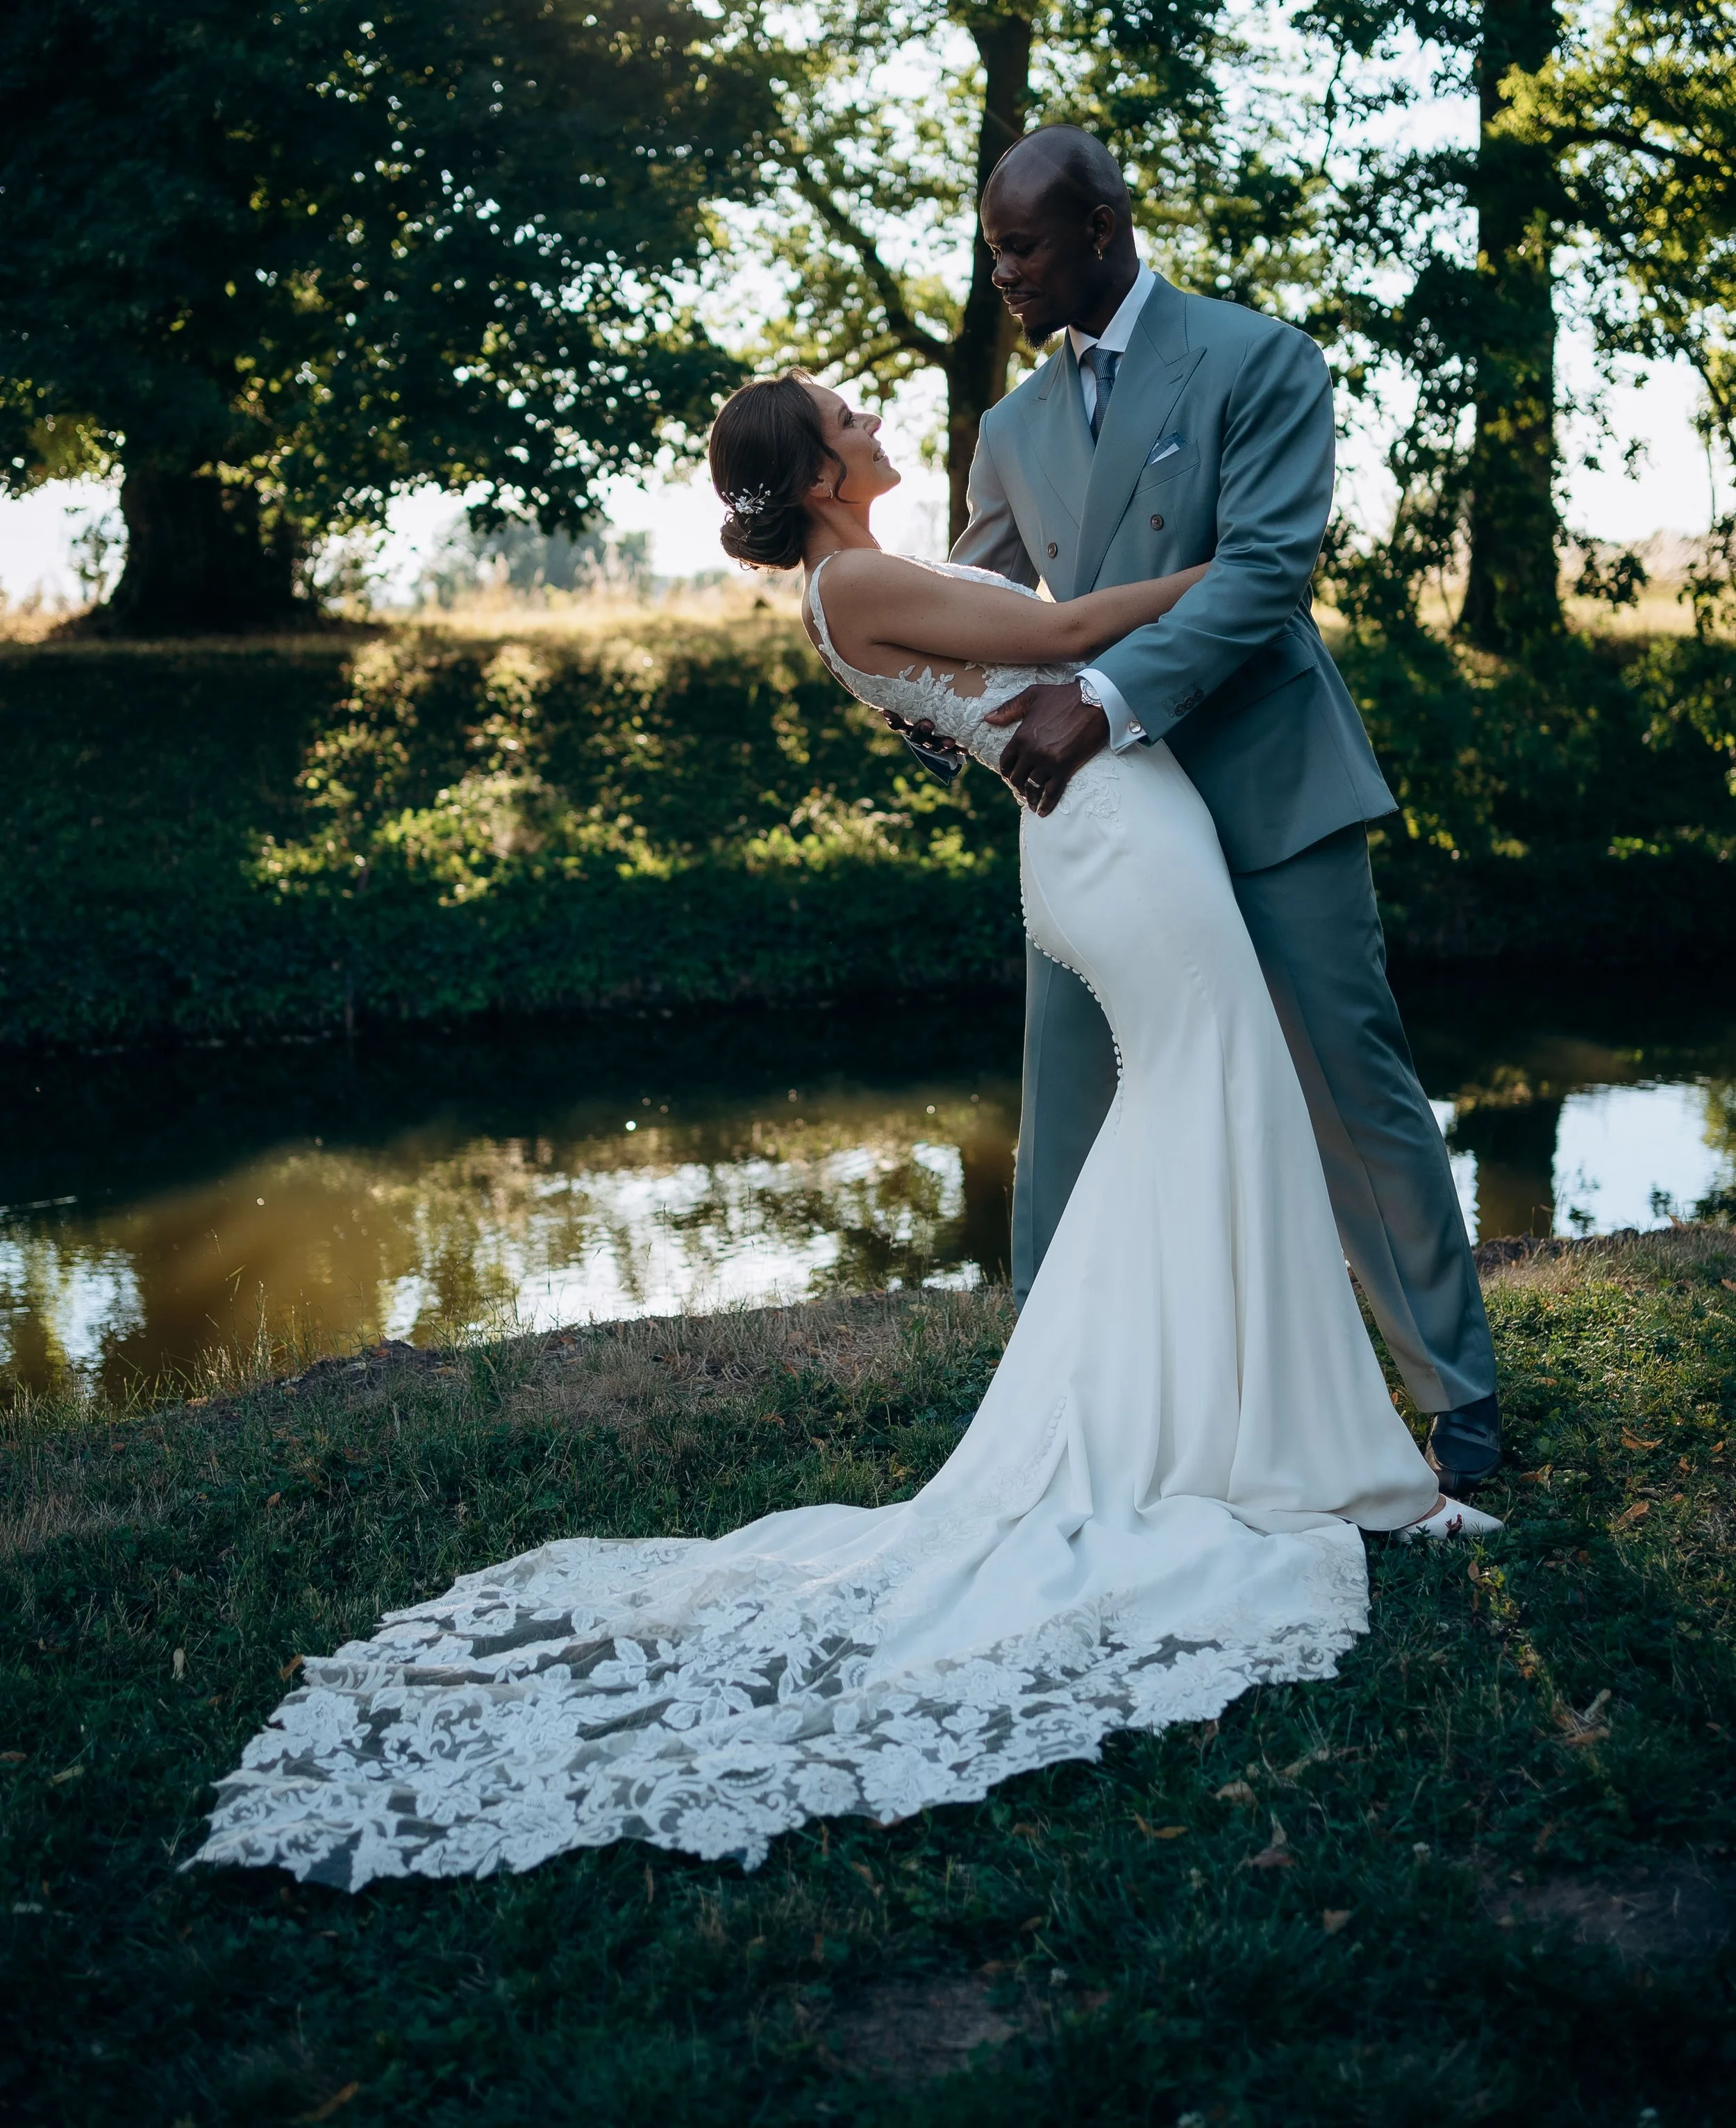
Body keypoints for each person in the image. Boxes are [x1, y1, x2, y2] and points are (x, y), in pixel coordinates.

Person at [191, 365, 1496, 1895]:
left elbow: (1027, 644)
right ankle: (1262, 1446)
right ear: (814, 473)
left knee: (1204, 1113)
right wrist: (1247, 565)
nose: (875, 423)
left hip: (1108, 831)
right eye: (847, 418)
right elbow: (1073, 638)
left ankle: (1232, 1428)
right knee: (1213, 1100)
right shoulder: (859, 576)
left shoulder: (861, 572)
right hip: (1113, 842)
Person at [942, 126, 1501, 1502]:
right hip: (1100, 820)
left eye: (1020, 246)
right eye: (991, 248)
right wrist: (940, 705)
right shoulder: (1007, 430)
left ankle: (1456, 1391)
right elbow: (970, 617)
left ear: (1101, 229)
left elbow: (1260, 576)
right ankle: (1053, 1405)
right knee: (1066, 1097)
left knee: (1346, 1084)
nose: (1000, 273)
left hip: (1264, 786)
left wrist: (1103, 698)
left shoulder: (1259, 359)